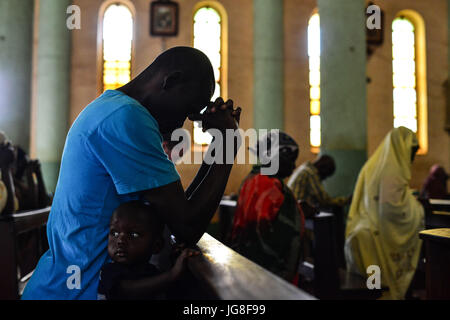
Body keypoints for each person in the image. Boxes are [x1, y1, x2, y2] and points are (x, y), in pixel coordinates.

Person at [22, 46, 241, 300]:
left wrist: (219, 145)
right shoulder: (126, 118)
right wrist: (228, 143)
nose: (182, 123)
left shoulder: (112, 108)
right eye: (187, 109)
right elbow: (187, 225)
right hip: (81, 292)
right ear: (170, 81)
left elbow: (179, 212)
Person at [344, 126, 424, 300]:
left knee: (373, 284)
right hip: (373, 240)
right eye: (412, 151)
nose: (412, 157)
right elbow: (390, 212)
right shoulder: (392, 170)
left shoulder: (376, 164)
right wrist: (417, 208)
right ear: (402, 147)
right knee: (380, 290)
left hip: (360, 233)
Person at [229, 131, 305, 283]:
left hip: (256, 271)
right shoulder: (265, 184)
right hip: (266, 275)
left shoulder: (258, 179)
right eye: (290, 160)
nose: (294, 166)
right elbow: (259, 227)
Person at [97, 201, 199, 300]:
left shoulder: (152, 272)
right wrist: (172, 274)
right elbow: (128, 290)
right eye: (115, 233)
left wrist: (175, 261)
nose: (120, 241)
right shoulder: (109, 271)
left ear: (156, 245)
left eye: (134, 235)